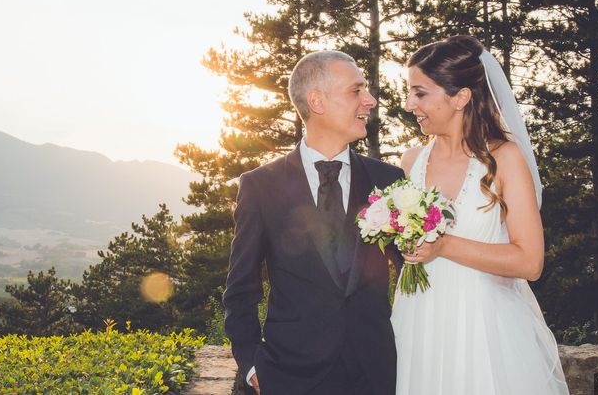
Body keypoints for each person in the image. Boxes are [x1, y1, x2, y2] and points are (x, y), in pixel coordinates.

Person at [392, 35, 569, 394]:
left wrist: (444, 246)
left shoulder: (504, 159)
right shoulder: (411, 162)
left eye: (420, 92)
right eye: (409, 92)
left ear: (461, 97)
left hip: (483, 329)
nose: (410, 103)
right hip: (417, 322)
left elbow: (530, 261)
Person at [223, 50, 404, 395]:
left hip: (376, 373)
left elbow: (413, 275)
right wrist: (251, 365)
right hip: (289, 375)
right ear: (317, 101)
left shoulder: (389, 180)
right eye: (356, 90)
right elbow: (241, 289)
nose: (371, 100)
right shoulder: (261, 185)